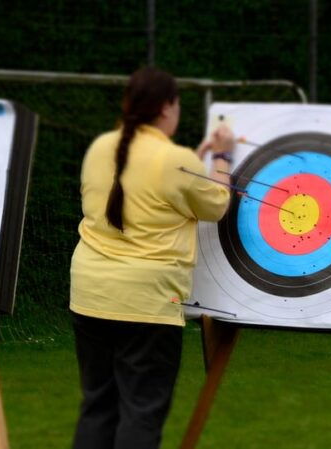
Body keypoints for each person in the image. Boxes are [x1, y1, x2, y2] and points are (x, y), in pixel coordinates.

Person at [69, 67, 235, 449]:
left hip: (89, 295)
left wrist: (197, 158)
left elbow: (148, 183)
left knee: (98, 406)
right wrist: (223, 156)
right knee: (141, 412)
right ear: (166, 107)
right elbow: (216, 204)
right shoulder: (174, 161)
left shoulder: (100, 147)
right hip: (145, 305)